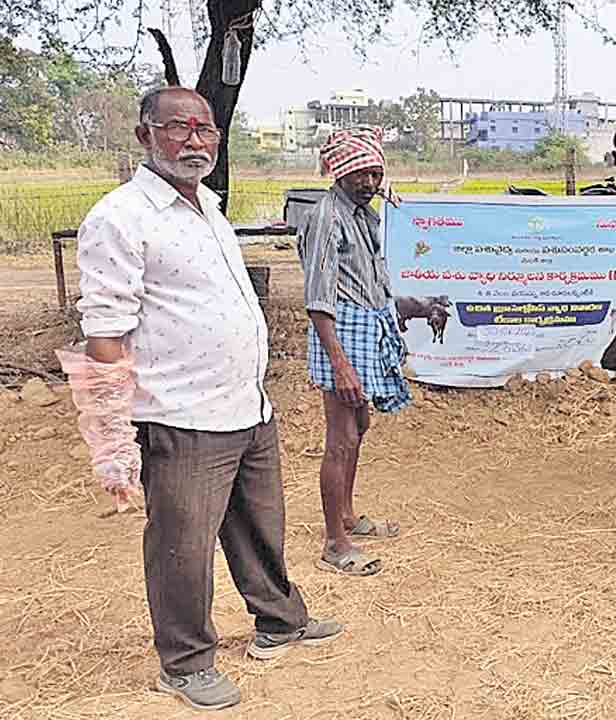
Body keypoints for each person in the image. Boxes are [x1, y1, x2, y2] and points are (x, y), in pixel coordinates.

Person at [75, 86, 341, 711]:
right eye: (179, 128)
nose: (195, 140)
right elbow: (104, 334)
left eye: (206, 129)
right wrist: (111, 438)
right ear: (145, 136)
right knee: (182, 547)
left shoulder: (208, 207)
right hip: (179, 415)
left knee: (259, 525)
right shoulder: (121, 218)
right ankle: (186, 662)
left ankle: (279, 620)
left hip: (245, 405)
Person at [297, 125, 412, 578]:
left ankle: (346, 516)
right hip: (340, 335)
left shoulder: (363, 215)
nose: (369, 182)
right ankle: (335, 543)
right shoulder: (328, 218)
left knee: (359, 426)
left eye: (375, 173)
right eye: (361, 173)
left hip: (364, 328)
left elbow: (370, 282)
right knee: (341, 438)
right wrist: (340, 365)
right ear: (340, 171)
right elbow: (318, 300)